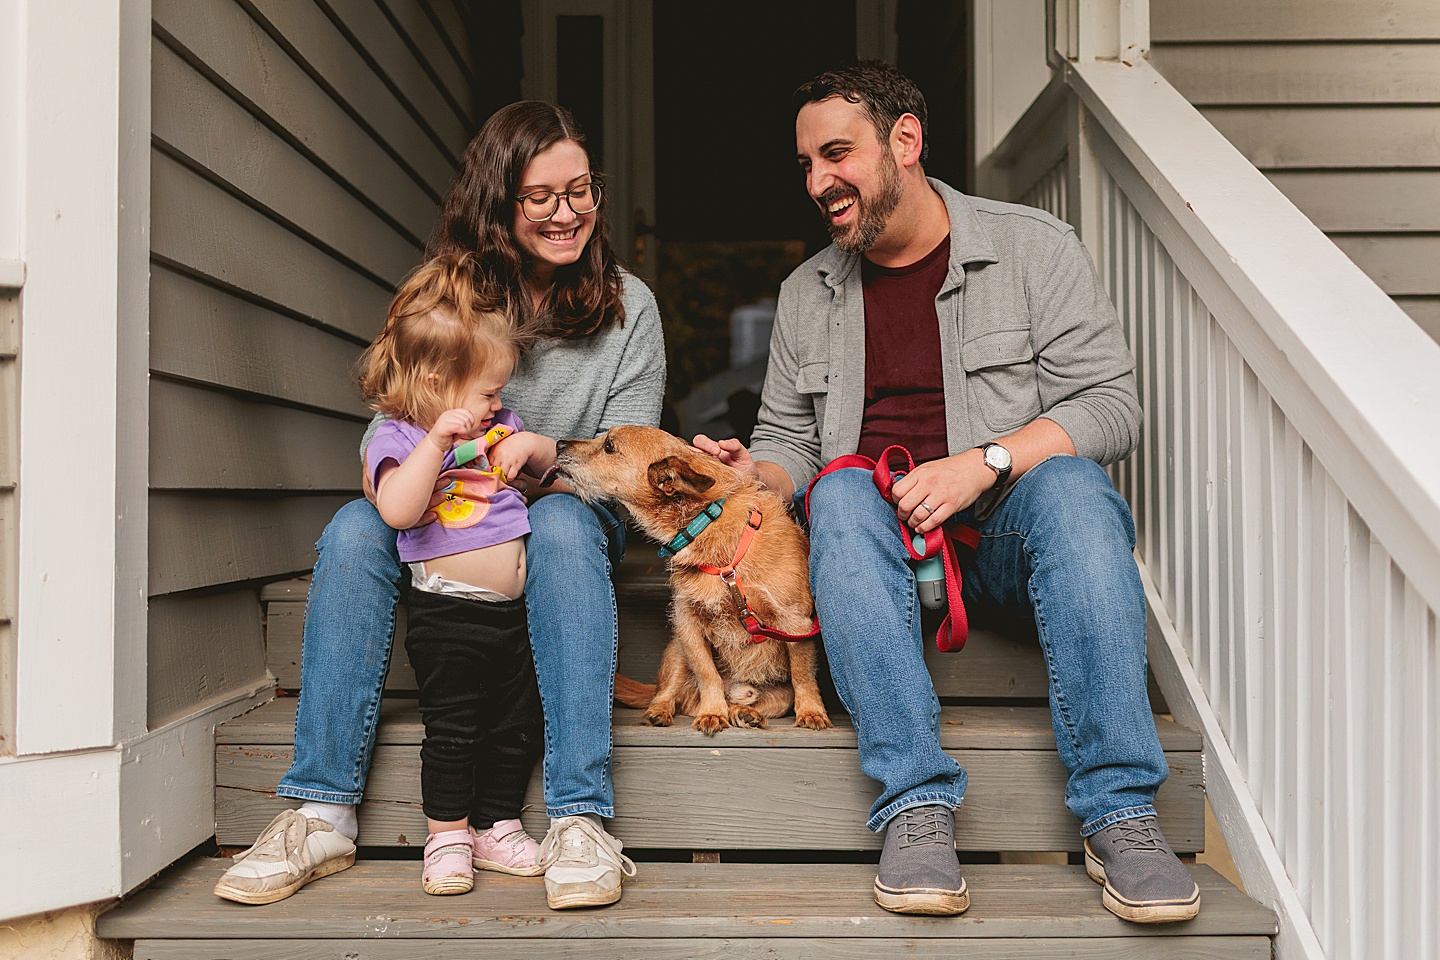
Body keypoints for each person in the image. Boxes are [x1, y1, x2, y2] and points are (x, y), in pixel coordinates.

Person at [694, 60, 1201, 924]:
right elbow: (789, 445)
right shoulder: (805, 293)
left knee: (1074, 488)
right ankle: (915, 804)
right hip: (871, 558)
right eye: (807, 165)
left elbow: (1112, 404)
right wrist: (755, 479)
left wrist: (984, 463)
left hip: (998, 542)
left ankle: (1121, 812)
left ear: (906, 141)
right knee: (842, 494)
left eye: (837, 155)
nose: (819, 182)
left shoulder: (1033, 247)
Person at [214, 101, 664, 910]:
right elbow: (393, 407)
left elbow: (631, 462)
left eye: (582, 189)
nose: (569, 213)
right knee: (355, 529)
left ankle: (579, 815)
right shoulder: (453, 292)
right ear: (499, 202)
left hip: (561, 505)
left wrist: (550, 456)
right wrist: (389, 471)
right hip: (446, 511)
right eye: (541, 197)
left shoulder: (630, 308)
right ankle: (320, 808)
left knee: (561, 524)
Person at [358, 253, 555, 895]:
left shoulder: (500, 427)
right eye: (489, 392)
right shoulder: (398, 438)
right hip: (448, 615)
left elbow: (544, 474)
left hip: (512, 612)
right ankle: (447, 833)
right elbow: (398, 509)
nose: (501, 403)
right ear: (437, 386)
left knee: (515, 726)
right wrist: (437, 443)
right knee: (454, 729)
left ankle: (497, 825)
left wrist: (531, 448)